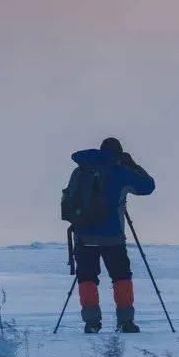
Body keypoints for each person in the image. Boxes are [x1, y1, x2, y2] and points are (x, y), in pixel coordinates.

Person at [67, 136, 155, 333]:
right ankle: (125, 321)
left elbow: (70, 201)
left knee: (87, 278)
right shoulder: (120, 171)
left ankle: (91, 322)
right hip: (112, 236)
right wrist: (133, 165)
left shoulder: (80, 171)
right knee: (121, 276)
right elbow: (148, 186)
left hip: (84, 235)